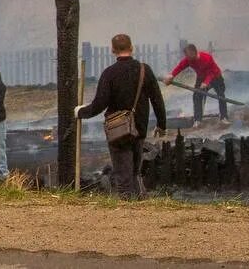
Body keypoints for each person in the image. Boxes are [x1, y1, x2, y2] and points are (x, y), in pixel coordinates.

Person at [75, 34, 166, 199]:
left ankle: (128, 210)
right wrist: (161, 125)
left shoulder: (109, 74)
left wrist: (81, 112)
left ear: (113, 50)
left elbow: (99, 104)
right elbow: (157, 99)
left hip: (118, 131)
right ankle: (139, 204)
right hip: (139, 128)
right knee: (135, 172)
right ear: (132, 48)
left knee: (123, 175)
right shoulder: (145, 70)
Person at [164, 43, 229, 128]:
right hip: (201, 77)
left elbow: (211, 72)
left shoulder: (206, 58)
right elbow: (180, 67)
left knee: (221, 95)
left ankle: (224, 117)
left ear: (195, 52)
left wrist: (206, 82)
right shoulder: (188, 59)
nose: (189, 59)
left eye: (190, 56)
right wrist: (171, 75)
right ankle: (198, 120)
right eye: (187, 56)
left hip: (216, 77)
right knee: (197, 96)